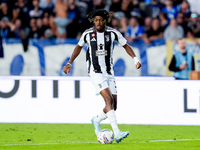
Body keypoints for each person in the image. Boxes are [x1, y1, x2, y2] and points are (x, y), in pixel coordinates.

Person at [63, 9, 141, 143]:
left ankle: (96, 120)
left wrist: (135, 59)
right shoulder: (87, 34)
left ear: (105, 20)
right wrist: (69, 62)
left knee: (113, 105)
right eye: (96, 20)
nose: (98, 23)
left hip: (109, 72)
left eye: (100, 20)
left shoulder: (113, 33)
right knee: (108, 101)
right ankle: (117, 132)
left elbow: (126, 46)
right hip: (95, 71)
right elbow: (78, 47)